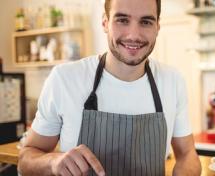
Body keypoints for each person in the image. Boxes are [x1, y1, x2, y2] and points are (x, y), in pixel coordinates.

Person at [18, 0, 201, 175]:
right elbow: (26, 158)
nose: (133, 35)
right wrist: (53, 163)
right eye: (122, 20)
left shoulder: (172, 81)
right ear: (105, 22)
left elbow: (187, 155)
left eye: (146, 21)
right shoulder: (65, 79)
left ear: (157, 27)